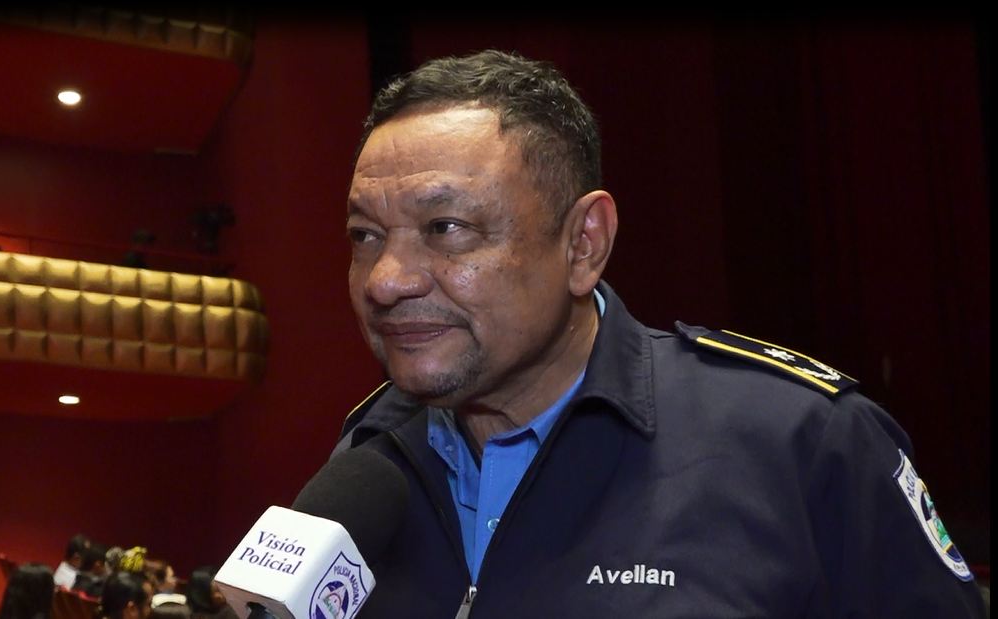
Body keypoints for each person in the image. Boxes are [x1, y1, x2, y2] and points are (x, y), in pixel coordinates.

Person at [332, 49, 987, 617]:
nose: (385, 281)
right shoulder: (368, 458)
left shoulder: (803, 444)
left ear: (584, 244)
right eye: (365, 235)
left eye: (446, 228)